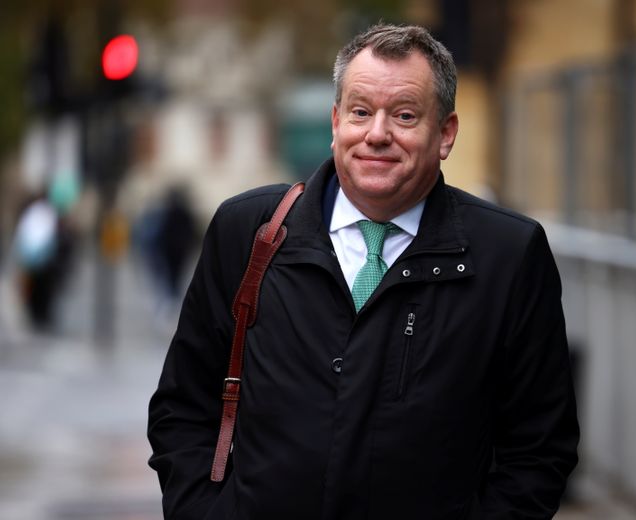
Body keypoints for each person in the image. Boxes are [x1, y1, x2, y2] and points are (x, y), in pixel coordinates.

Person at [148, 23, 579, 519]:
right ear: (335, 122)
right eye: (360, 112)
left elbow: (540, 451)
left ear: (446, 134)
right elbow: (181, 408)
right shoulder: (249, 232)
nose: (377, 134)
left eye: (404, 115)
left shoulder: (508, 255)